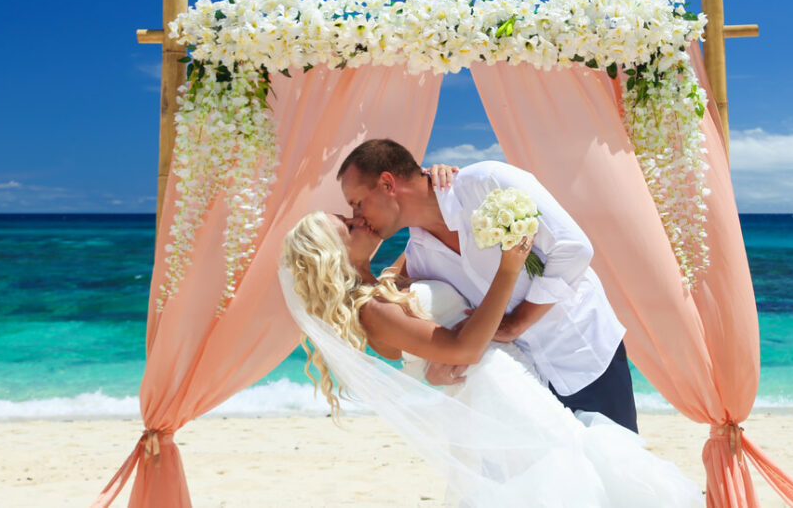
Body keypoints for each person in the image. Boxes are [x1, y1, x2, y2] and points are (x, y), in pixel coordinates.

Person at [279, 210, 703, 507]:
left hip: (507, 380)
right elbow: (462, 351)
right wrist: (508, 268)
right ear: (329, 254)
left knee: (565, 465)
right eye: (348, 226)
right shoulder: (370, 310)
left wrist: (438, 187)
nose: (360, 219)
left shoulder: (386, 284)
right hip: (496, 390)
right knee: (559, 471)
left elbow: (426, 235)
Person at [337, 139, 638, 432]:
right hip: (523, 386)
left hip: (584, 353)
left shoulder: (487, 182)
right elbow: (410, 337)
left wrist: (516, 323)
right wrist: (436, 369)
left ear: (388, 184)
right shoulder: (419, 260)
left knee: (620, 474)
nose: (358, 217)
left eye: (357, 203)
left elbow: (574, 249)